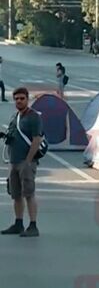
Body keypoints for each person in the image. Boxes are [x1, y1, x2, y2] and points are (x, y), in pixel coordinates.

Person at [1, 87, 43, 237]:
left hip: (26, 162)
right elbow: (13, 135)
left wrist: (28, 160)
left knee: (29, 193)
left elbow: (37, 139)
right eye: (16, 99)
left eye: (22, 98)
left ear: (27, 99)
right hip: (13, 161)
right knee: (16, 194)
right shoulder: (15, 116)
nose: (19, 101)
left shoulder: (33, 117)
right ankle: (18, 223)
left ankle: (33, 225)